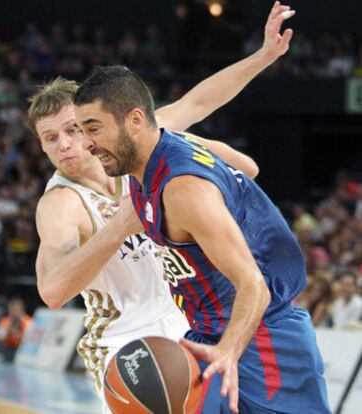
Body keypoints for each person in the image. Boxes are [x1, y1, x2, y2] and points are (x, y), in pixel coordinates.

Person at [72, 5, 331, 414]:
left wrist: (229, 351)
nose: (85, 143)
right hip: (210, 333)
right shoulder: (156, 146)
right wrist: (264, 55)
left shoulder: (183, 190)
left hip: (261, 339)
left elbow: (253, 285)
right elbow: (224, 132)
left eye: (92, 128)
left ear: (134, 120)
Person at [28, 39, 273, 408]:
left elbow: (200, 102)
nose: (64, 145)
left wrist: (265, 55)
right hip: (124, 340)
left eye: (72, 130)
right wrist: (121, 225)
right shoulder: (61, 204)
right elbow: (51, 290)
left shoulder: (137, 149)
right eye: (51, 138)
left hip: (187, 318)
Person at [0, 297, 32, 362]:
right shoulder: (5, 321)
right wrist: (8, 330)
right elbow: (0, 339)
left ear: (22, 309)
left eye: (16, 309)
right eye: (12, 309)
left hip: (22, 349)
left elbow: (29, 341)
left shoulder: (28, 322)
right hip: (8, 348)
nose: (14, 311)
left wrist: (16, 333)